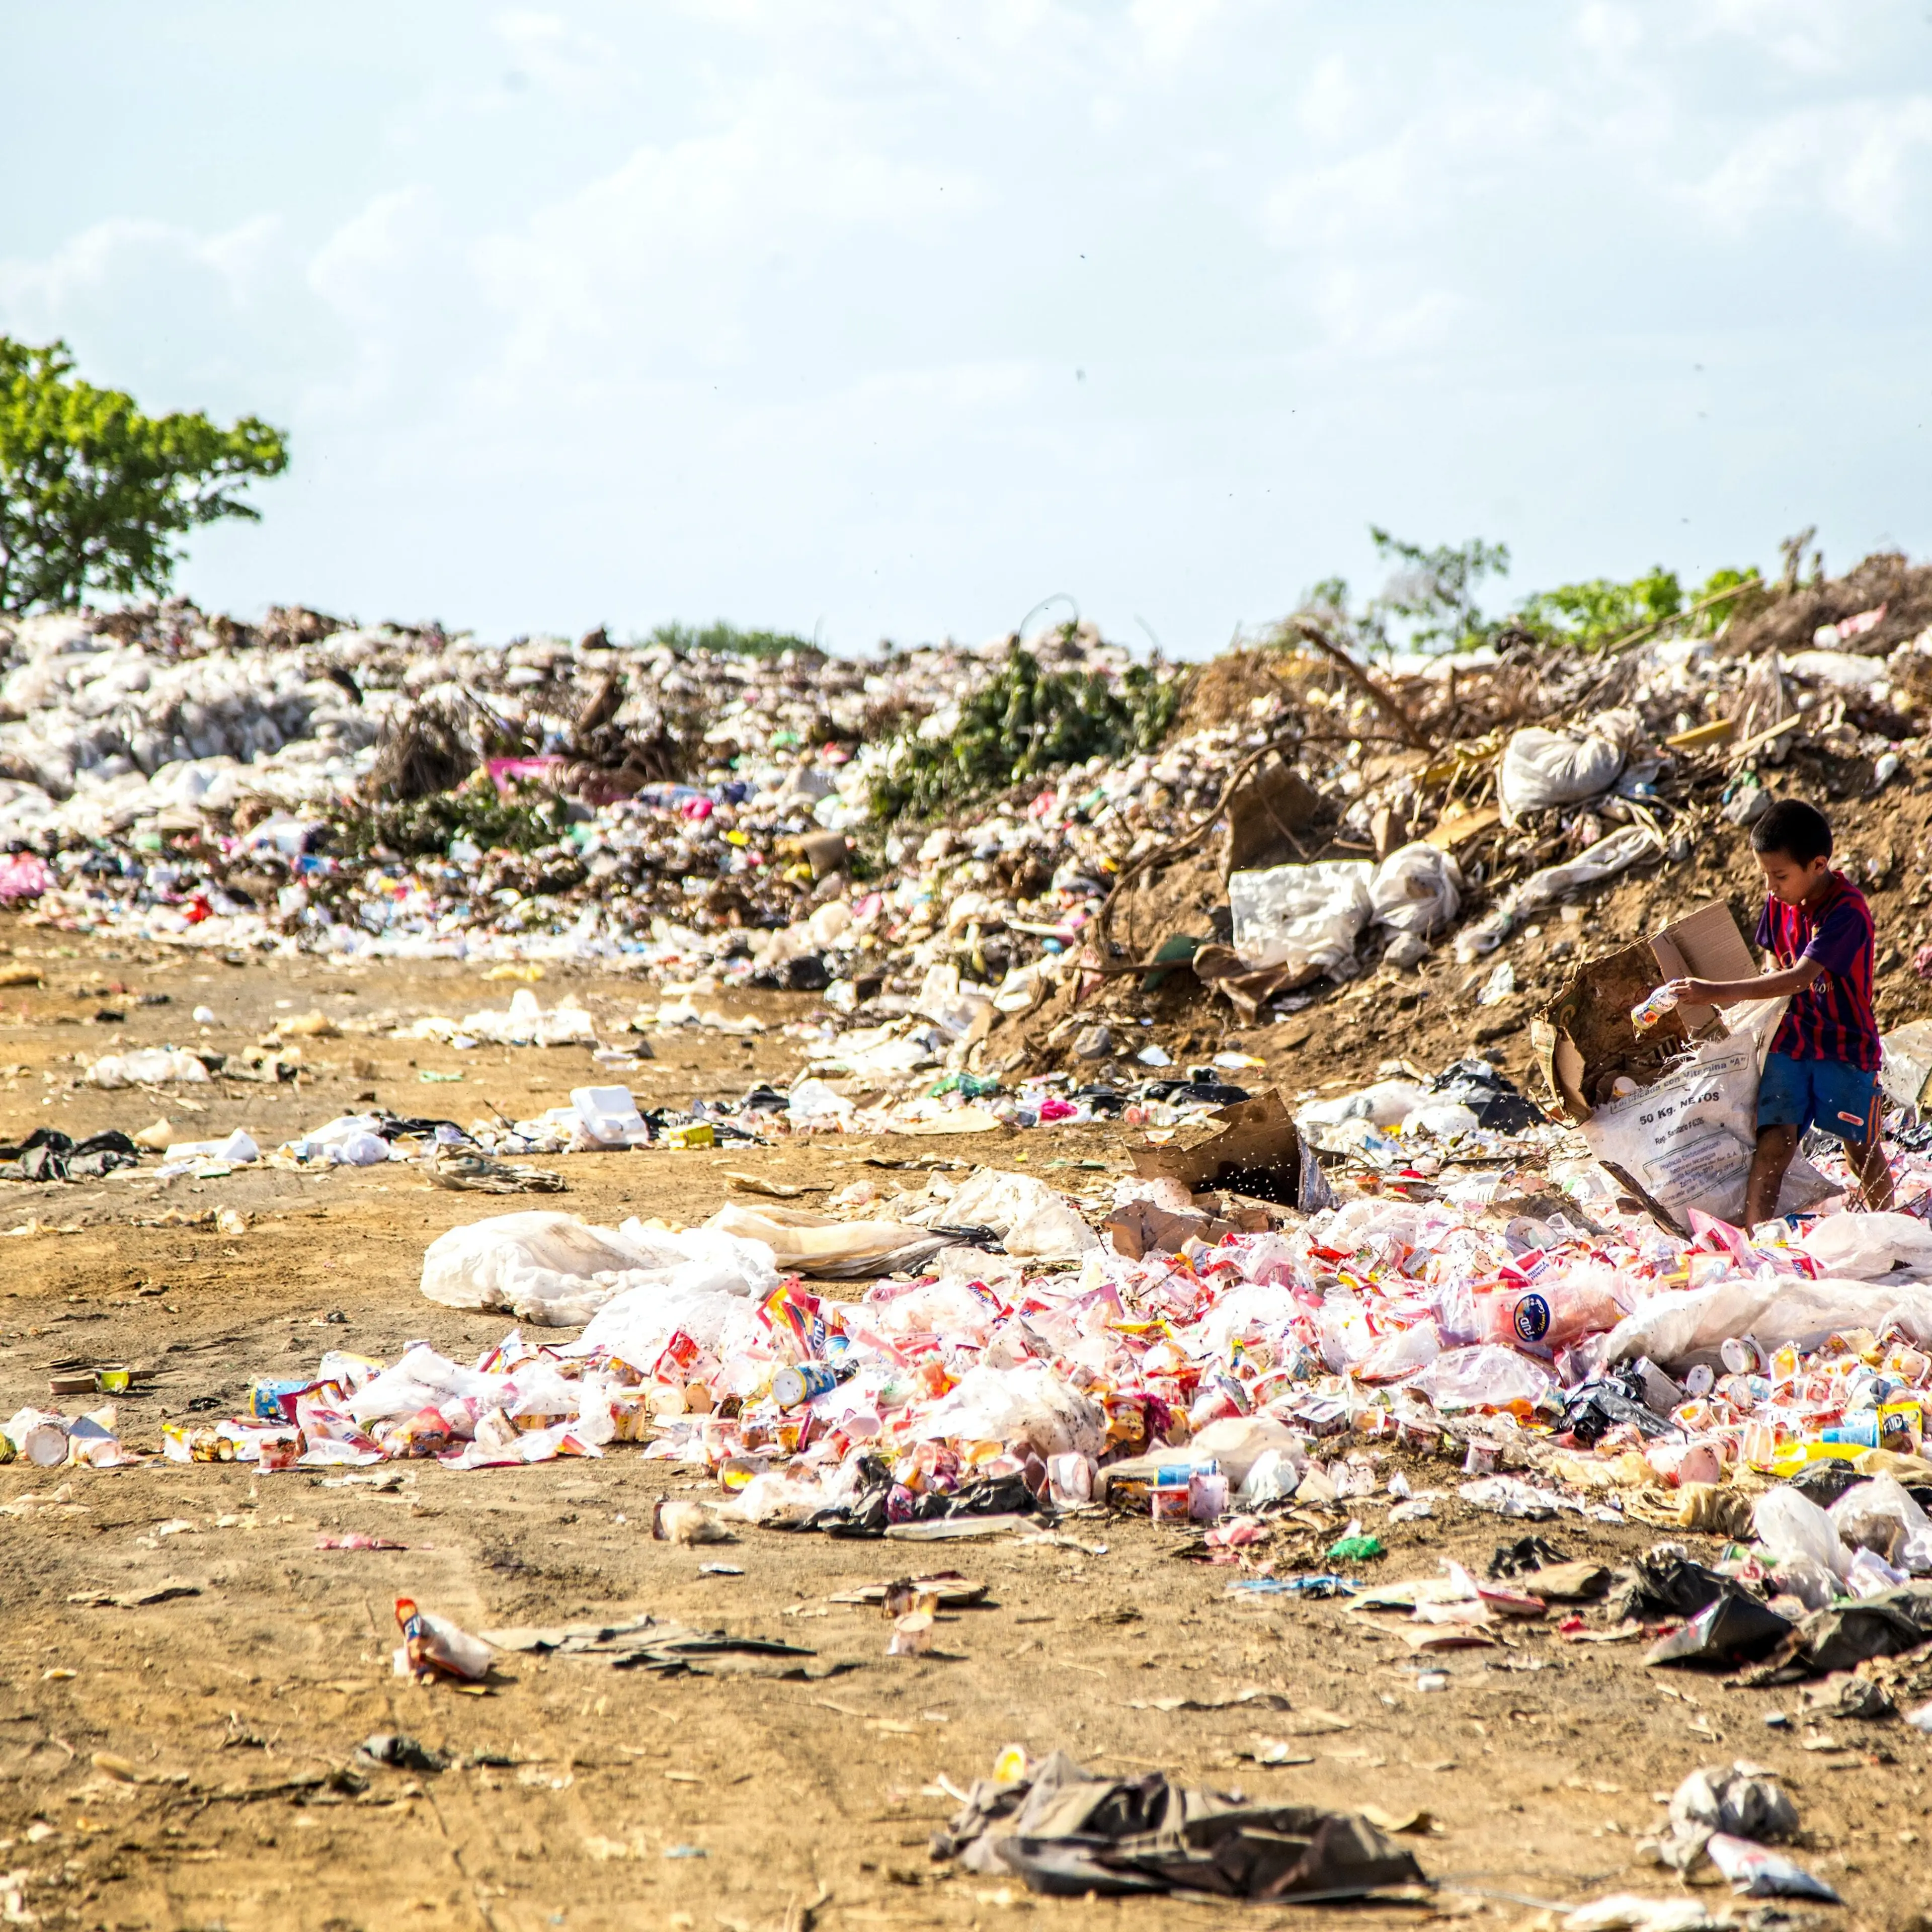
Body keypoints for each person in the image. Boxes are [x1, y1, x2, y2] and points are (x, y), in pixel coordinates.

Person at [1661, 795, 1891, 1226]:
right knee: (1773, 1146)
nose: (1771, 886)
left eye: (1780, 876)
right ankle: (1757, 1242)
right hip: (1791, 1041)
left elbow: (1798, 978)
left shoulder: (1847, 912)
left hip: (1844, 1046)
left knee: (1860, 1149)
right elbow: (1772, 957)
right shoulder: (1778, 902)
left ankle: (1892, 1231)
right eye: (1765, 875)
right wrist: (1768, 979)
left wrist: (1712, 992)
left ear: (1818, 865)